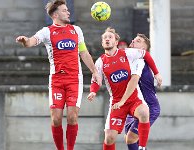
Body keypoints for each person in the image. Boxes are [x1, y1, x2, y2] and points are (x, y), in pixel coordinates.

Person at [16, 1, 101, 150]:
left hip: (74, 79)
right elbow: (31, 42)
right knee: (56, 119)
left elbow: (83, 53)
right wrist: (25, 41)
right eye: (64, 10)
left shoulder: (76, 30)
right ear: (55, 14)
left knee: (72, 117)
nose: (69, 12)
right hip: (56, 80)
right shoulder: (47, 31)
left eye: (68, 10)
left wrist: (95, 72)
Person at [87, 27, 161, 150]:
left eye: (110, 37)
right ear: (101, 43)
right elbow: (96, 80)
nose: (107, 39)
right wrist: (93, 91)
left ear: (116, 42)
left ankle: (142, 147)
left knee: (140, 119)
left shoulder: (132, 56)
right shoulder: (100, 62)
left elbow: (134, 79)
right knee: (110, 137)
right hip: (117, 103)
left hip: (134, 100)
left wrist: (157, 73)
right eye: (104, 38)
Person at [124, 33, 161, 150]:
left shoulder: (141, 60)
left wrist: (157, 73)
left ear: (143, 49)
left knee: (131, 138)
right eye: (133, 40)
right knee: (133, 139)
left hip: (149, 107)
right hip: (133, 106)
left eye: (138, 41)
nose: (134, 41)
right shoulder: (128, 60)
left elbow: (147, 56)